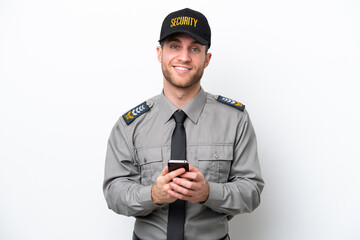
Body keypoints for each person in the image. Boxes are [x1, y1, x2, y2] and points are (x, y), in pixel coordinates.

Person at [103, 8, 264, 240]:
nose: (184, 57)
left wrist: (209, 192)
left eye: (195, 48)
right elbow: (113, 193)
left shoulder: (235, 119)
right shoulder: (130, 125)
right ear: (160, 53)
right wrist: (154, 194)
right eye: (175, 46)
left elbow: (252, 192)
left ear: (207, 59)